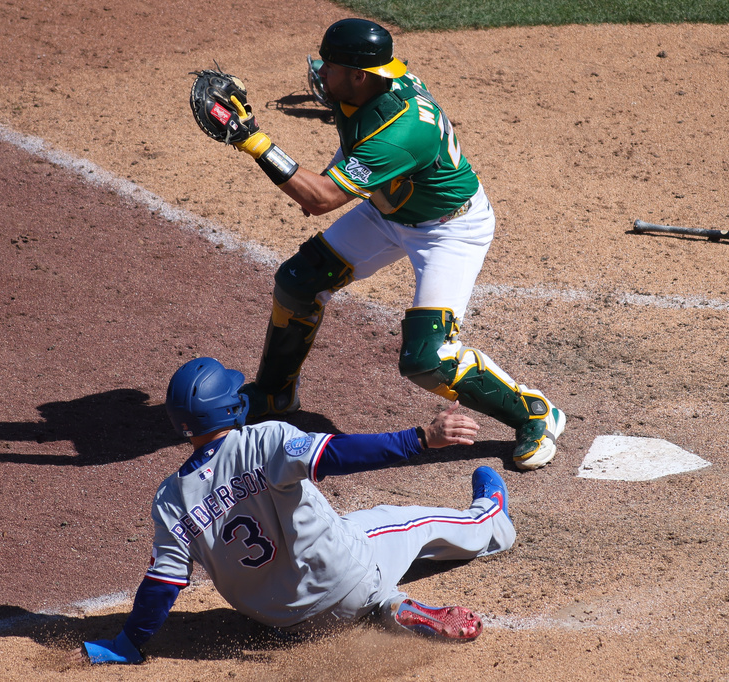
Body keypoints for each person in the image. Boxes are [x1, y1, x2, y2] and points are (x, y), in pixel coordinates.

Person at [200, 18, 565, 470]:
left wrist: (252, 139)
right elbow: (348, 138)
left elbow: (320, 201)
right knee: (299, 282)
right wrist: (314, 174)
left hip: (446, 230)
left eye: (330, 67)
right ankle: (275, 395)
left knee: (426, 360)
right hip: (386, 208)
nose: (320, 74)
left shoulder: (402, 130)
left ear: (359, 75)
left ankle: (536, 412)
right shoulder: (365, 84)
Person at [81, 357, 515, 664]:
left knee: (357, 578)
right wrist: (419, 438)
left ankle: (391, 608)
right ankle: (491, 521)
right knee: (410, 523)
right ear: (233, 407)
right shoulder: (262, 441)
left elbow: (163, 583)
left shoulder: (170, 500)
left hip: (283, 623)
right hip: (346, 577)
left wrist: (128, 644)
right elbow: (338, 454)